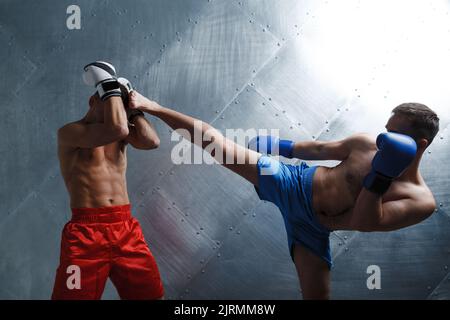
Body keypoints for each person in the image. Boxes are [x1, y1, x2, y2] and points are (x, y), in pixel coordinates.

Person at [127, 90, 439, 299]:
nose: (383, 139)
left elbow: (364, 221)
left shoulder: (420, 200)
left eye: (394, 135)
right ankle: (149, 105)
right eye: (386, 130)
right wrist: (281, 147)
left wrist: (381, 178)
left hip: (313, 229)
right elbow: (319, 149)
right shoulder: (367, 143)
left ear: (420, 144)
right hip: (292, 182)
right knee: (218, 146)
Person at [52, 62, 164, 300]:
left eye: (119, 107)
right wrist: (107, 83)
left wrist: (133, 109)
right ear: (93, 101)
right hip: (85, 233)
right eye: (111, 102)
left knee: (151, 296)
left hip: (125, 229)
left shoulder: (122, 132)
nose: (117, 111)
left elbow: (152, 142)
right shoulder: (70, 132)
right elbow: (118, 130)